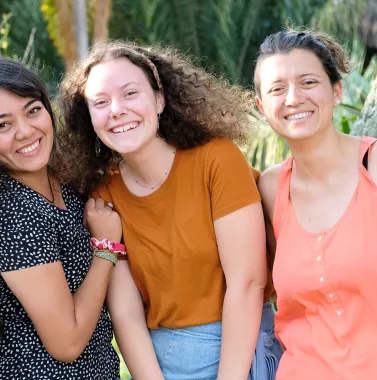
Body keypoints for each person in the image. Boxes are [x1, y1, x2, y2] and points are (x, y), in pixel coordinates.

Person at [58, 42, 282, 380]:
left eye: (130, 93)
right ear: (89, 119)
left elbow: (247, 283)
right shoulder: (103, 193)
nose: (116, 110)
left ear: (159, 99)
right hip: (159, 365)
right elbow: (126, 312)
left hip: (241, 356)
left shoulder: (216, 160)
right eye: (100, 103)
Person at [254, 29, 377, 379]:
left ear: (336, 90)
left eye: (308, 82)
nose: (293, 98)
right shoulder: (270, 188)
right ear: (262, 106)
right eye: (277, 89)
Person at [0, 58, 121, 379]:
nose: (26, 131)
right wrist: (106, 248)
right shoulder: (12, 213)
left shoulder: (62, 180)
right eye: (2, 125)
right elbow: (66, 342)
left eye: (32, 110)